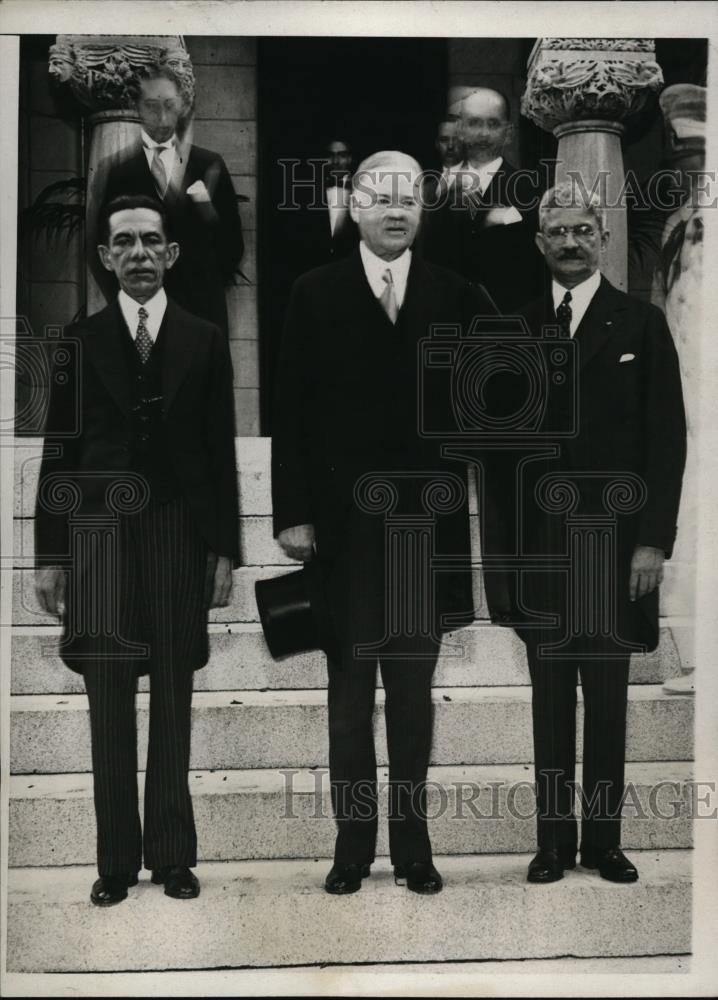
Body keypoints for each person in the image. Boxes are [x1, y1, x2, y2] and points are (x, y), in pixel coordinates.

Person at [271, 151, 495, 897]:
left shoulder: (458, 296)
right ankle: (351, 846)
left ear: (423, 211)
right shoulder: (313, 293)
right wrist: (295, 515)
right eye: (380, 198)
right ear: (356, 209)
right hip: (342, 531)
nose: (395, 210)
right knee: (348, 693)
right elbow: (292, 414)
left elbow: (494, 400)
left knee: (411, 691)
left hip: (424, 531)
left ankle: (414, 849)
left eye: (409, 199)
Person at [35, 194, 239, 907]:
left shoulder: (204, 338)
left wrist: (224, 551)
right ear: (105, 258)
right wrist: (50, 554)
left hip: (179, 531)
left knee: (175, 695)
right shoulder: (79, 340)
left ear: (172, 253)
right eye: (124, 243)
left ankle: (174, 857)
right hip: (97, 539)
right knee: (110, 697)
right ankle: (116, 860)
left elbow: (218, 454)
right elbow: (59, 455)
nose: (139, 254)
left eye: (152, 241)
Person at [487, 183, 686, 885]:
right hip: (540, 545)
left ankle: (603, 840)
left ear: (602, 237)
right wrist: (502, 564)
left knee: (606, 700)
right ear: (539, 242)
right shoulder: (511, 330)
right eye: (556, 232)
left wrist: (652, 544)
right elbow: (499, 462)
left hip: (615, 545)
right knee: (548, 699)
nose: (569, 242)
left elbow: (667, 442)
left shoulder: (640, 325)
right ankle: (551, 841)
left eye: (582, 230)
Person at [100, 65, 244, 335]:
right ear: (138, 107)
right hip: (140, 314)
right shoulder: (121, 172)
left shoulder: (209, 164)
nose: (162, 117)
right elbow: (103, 246)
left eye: (169, 105)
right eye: (152, 106)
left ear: (182, 105)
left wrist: (204, 284)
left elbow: (232, 246)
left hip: (202, 314)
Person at [422, 88, 544, 312]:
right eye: (475, 123)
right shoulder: (437, 192)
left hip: (506, 324)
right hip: (444, 322)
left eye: (493, 124)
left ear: (509, 133)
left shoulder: (531, 189)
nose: (483, 134)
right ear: (461, 129)